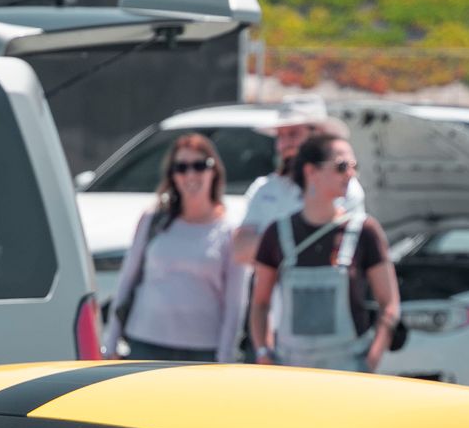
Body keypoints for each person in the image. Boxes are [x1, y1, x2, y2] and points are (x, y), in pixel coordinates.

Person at [248, 132, 399, 375]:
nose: (350, 173)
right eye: (341, 166)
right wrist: (263, 352)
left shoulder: (365, 231)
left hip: (349, 372)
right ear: (311, 171)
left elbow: (389, 304)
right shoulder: (276, 233)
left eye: (354, 166)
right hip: (290, 373)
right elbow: (260, 303)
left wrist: (371, 360)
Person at [104, 132, 246, 362]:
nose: (190, 175)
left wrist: (226, 357)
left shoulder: (229, 230)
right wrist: (110, 342)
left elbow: (235, 303)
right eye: (181, 167)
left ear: (214, 171)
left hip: (203, 350)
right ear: (173, 175)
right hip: (145, 342)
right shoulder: (153, 220)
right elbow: (126, 280)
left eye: (200, 166)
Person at [231, 97, 362, 271]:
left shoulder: (346, 186)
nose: (284, 144)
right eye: (280, 136)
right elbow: (240, 250)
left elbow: (344, 247)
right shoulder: (264, 187)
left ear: (317, 136)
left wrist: (270, 246)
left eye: (293, 134)